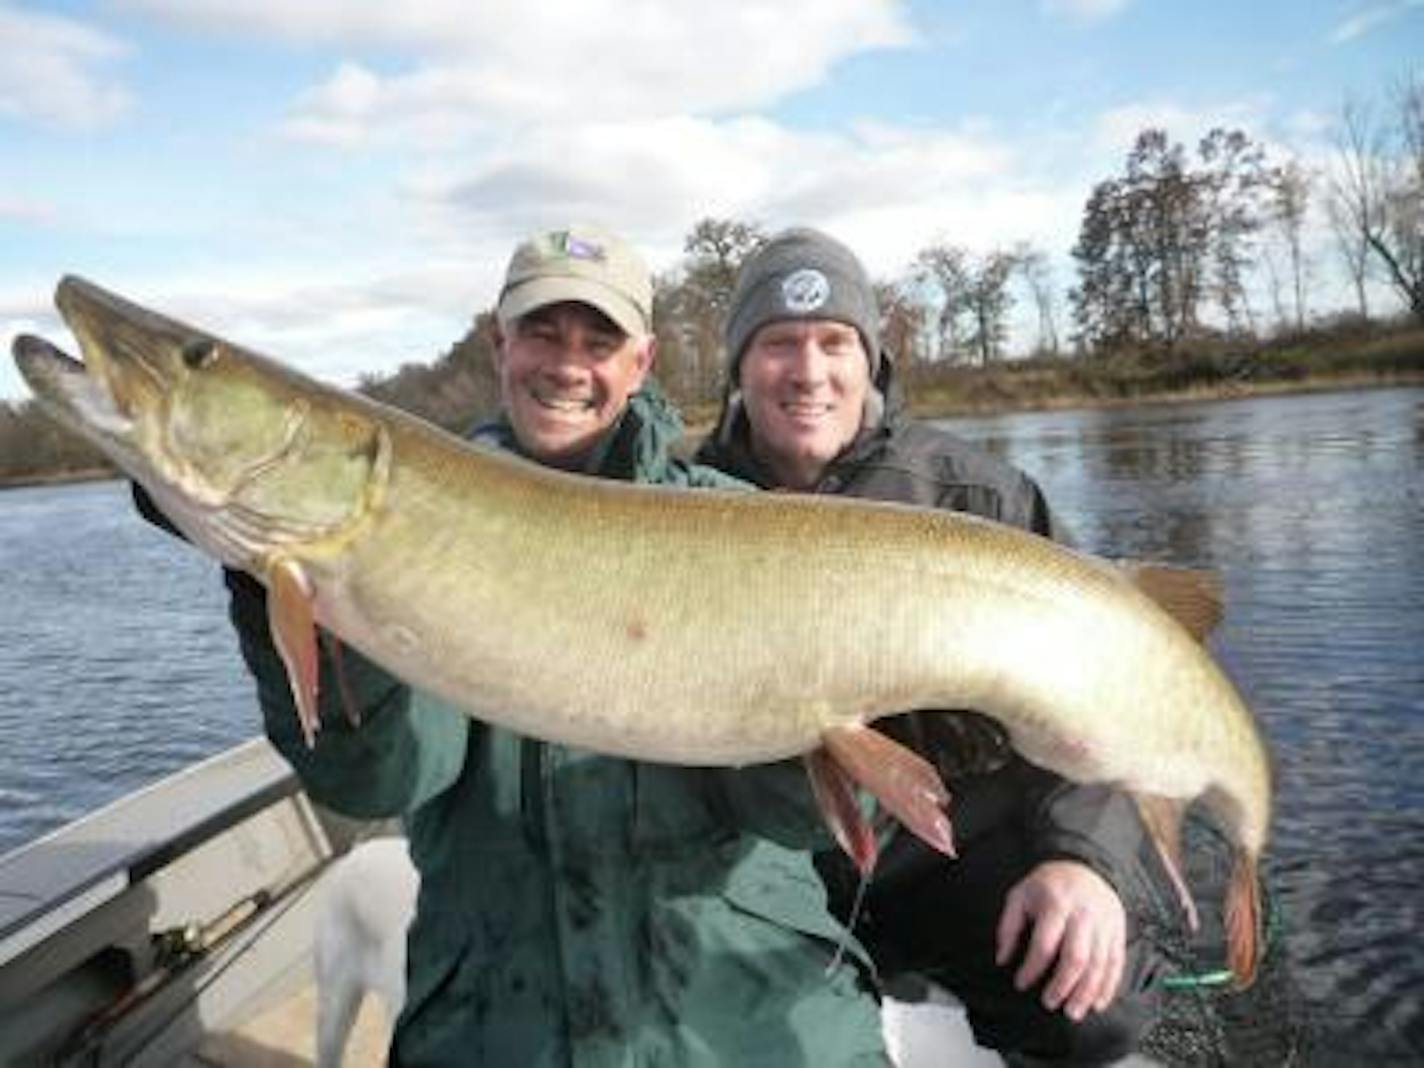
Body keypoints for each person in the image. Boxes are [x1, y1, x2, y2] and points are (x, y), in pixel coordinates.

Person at [207, 226, 890, 1065]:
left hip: (746, 1017)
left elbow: (798, 820)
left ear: (639, 364)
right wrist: (271, 589)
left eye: (597, 341)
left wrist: (899, 724)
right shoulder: (412, 526)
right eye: (543, 333)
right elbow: (379, 778)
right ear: (501, 344)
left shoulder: (735, 515)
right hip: (503, 1023)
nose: (568, 365)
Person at [696, 227, 1176, 1065]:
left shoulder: (978, 498)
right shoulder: (681, 508)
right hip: (773, 861)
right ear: (739, 366)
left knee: (1089, 1012)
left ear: (870, 360)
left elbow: (1099, 686)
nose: (809, 372)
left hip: (946, 847)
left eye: (834, 342)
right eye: (778, 345)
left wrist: (1083, 861)